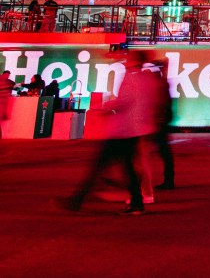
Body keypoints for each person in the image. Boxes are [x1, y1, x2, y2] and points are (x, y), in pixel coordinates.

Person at [57, 49, 161, 215]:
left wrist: (103, 108)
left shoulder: (130, 77)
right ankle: (136, 202)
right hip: (136, 130)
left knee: (100, 166)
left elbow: (124, 100)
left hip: (122, 129)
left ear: (134, 62)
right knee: (126, 167)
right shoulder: (147, 79)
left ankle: (77, 200)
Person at [151, 57, 176, 191]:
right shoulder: (163, 83)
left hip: (158, 122)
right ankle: (169, 180)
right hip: (161, 121)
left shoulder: (161, 84)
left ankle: (168, 180)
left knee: (163, 152)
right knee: (164, 152)